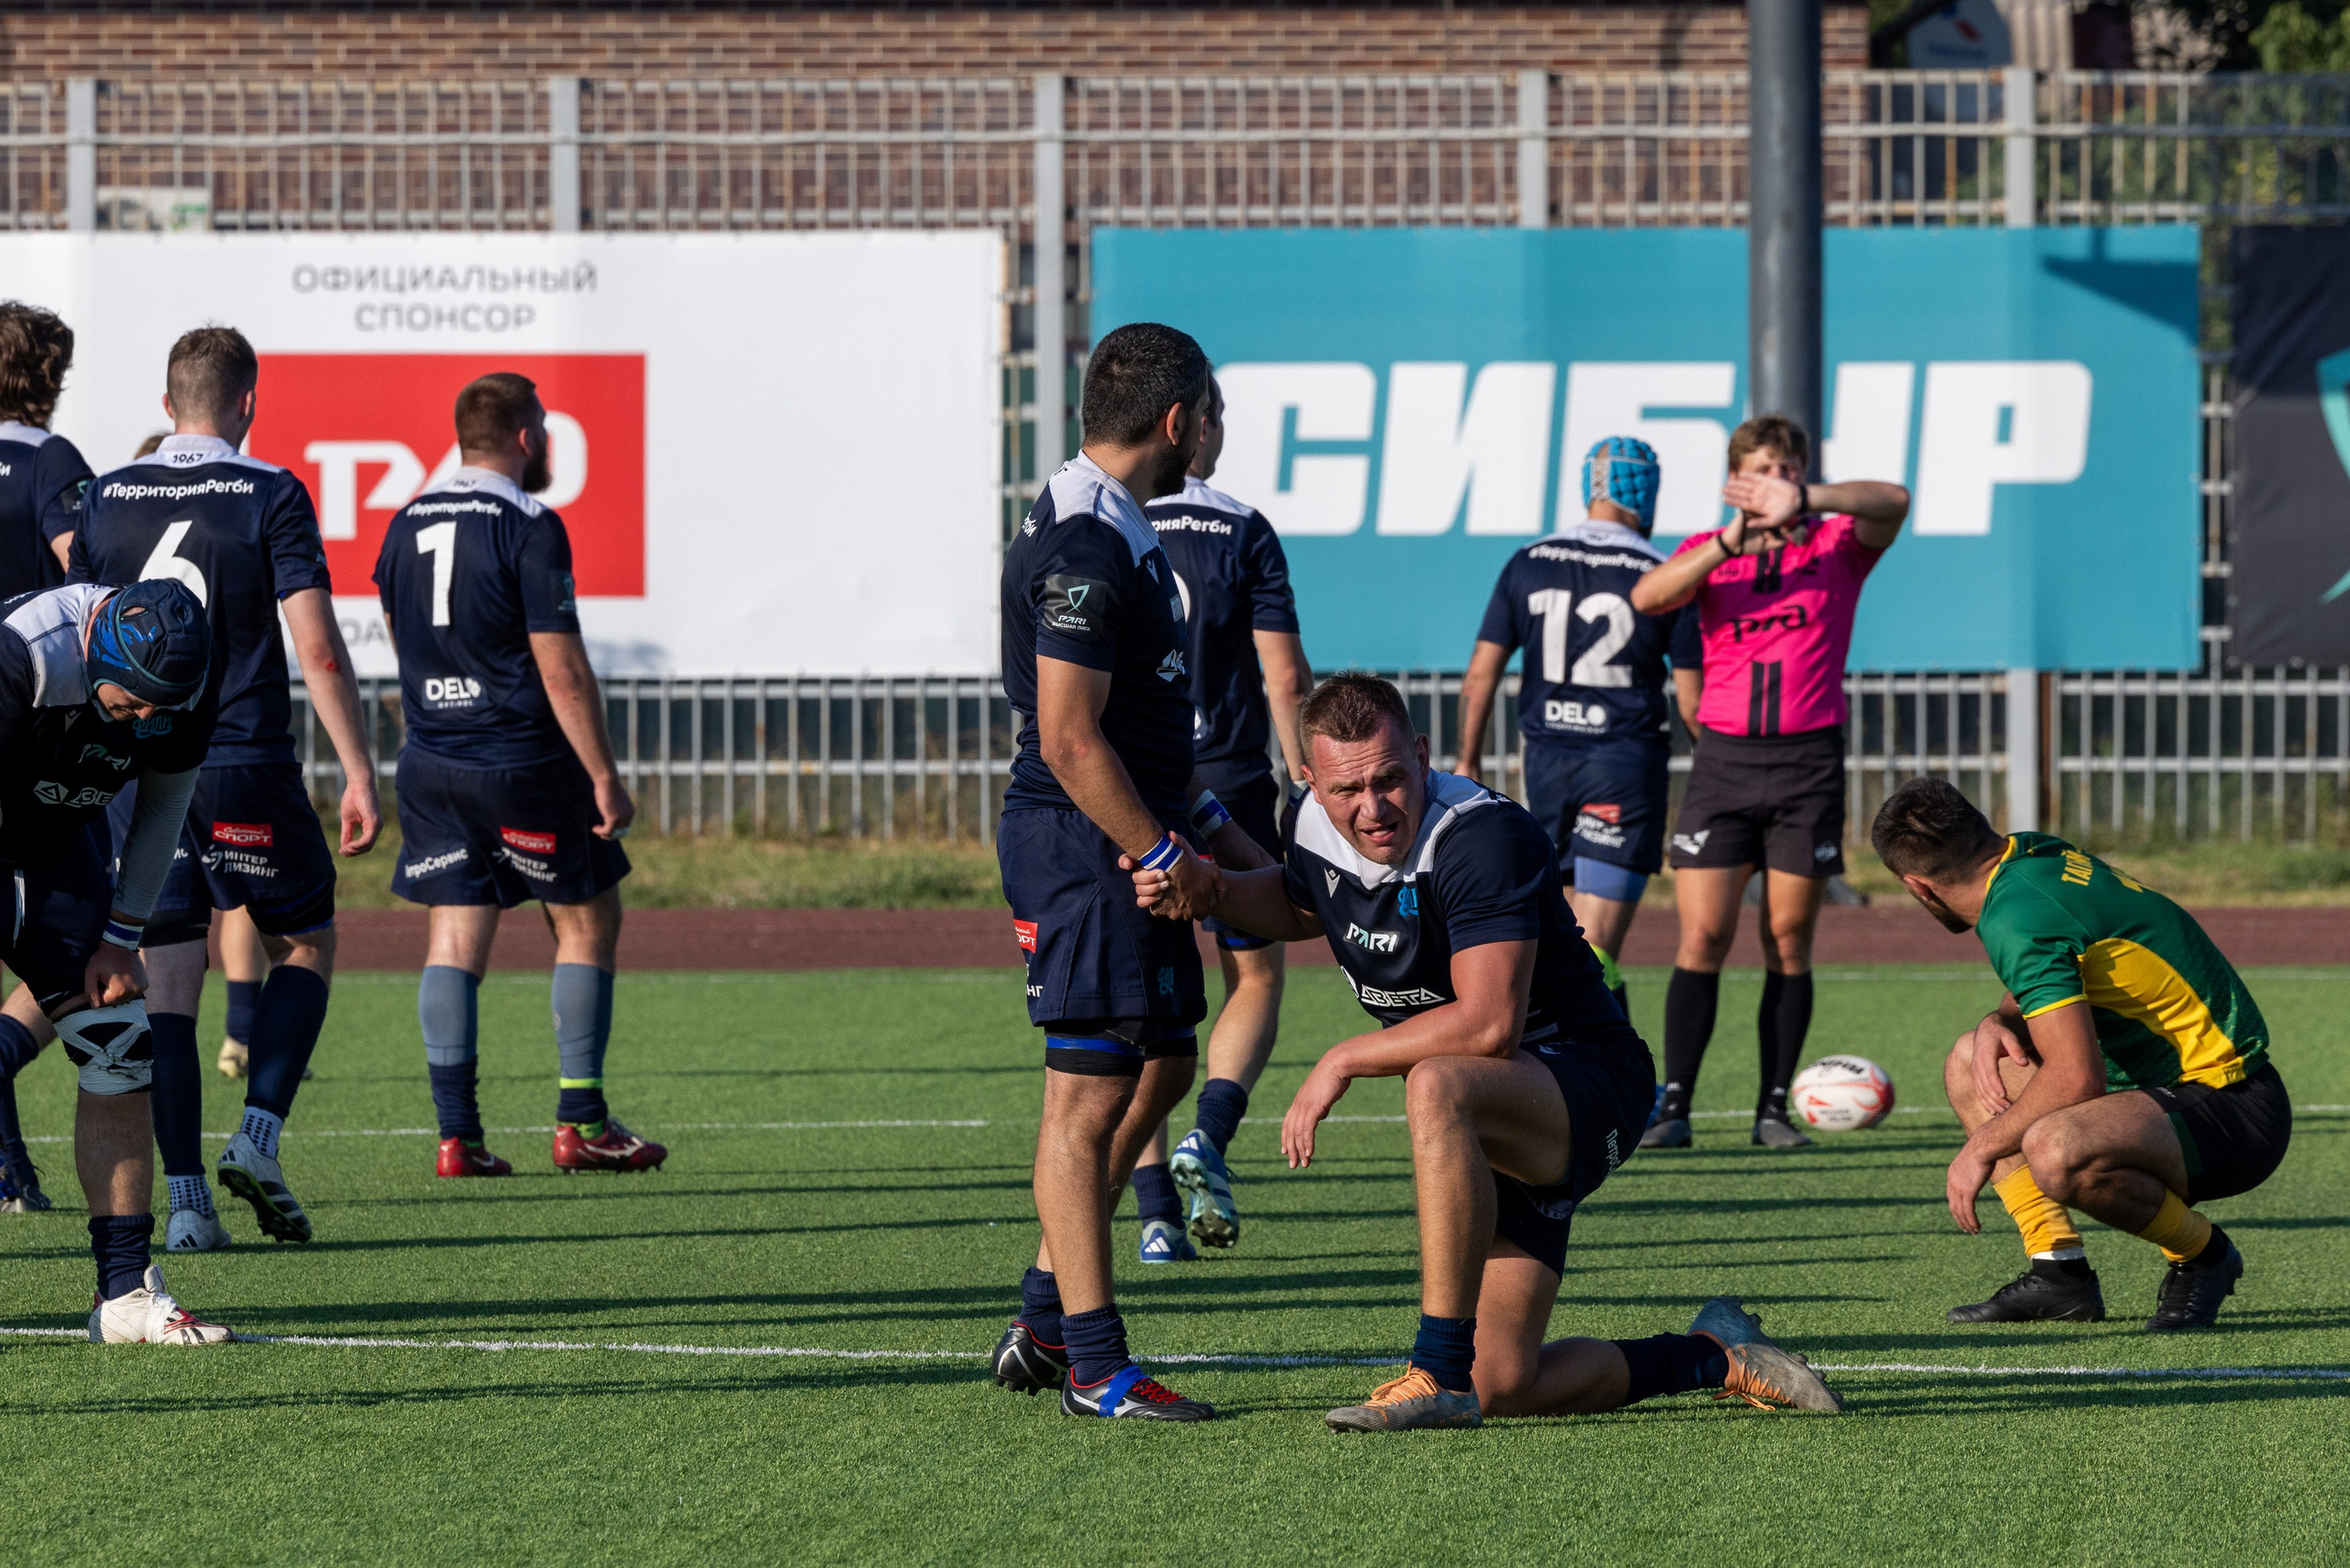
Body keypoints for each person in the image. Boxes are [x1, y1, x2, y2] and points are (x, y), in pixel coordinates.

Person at [1135, 673, 1841, 1428]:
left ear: (1422, 755)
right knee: (1505, 1383)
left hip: (1584, 1080)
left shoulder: (1479, 836)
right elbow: (1307, 903)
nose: (1372, 808)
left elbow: (1489, 1026)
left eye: (1389, 779)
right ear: (1310, 780)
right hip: (1493, 1110)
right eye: (1347, 790)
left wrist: (1341, 1058)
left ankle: (1436, 1371)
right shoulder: (1308, 820)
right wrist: (1214, 891)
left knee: (1437, 1084)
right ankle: (1717, 1354)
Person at [988, 321, 1267, 1422]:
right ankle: (1095, 1367)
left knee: (1163, 1060)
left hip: (1125, 830)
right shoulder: (1088, 539)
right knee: (1088, 1096)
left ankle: (1044, 1317)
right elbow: (1068, 738)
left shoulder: (1116, 520)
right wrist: (1161, 854)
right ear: (1177, 419)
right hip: (1082, 845)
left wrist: (1222, 836)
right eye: (1216, 413)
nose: (1220, 432)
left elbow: (1141, 731)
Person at [73, 326, 381, 1249]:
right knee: (306, 939)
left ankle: (186, 1206)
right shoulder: (271, 490)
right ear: (249, 402)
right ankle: (258, 1137)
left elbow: (83, 635)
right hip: (241, 756)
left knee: (167, 972)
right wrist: (359, 769)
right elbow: (318, 646)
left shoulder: (107, 492)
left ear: (166, 405)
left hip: (135, 764)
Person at [374, 371, 661, 1178]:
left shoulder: (405, 520)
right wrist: (603, 773)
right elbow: (560, 667)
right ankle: (582, 1122)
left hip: (432, 760)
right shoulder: (530, 524)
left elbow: (399, 634)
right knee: (587, 920)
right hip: (520, 759)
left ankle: (457, 1138)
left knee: (453, 934)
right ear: (528, 438)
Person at [1871, 778, 2288, 1331]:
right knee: (1973, 1058)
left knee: (2055, 1147)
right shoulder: (2031, 854)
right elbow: (2063, 963)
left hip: (2233, 1108)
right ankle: (2059, 1273)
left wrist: (1980, 1149)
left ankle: (2204, 1255)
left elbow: (2075, 1080)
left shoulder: (2016, 918)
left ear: (1917, 886)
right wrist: (1999, 1020)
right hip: (2161, 1091)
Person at [1628, 415, 1910, 1150]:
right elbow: (1648, 598)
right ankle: (1674, 1108)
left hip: (1806, 765)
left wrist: (1808, 501)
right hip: (1723, 764)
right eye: (1762, 470)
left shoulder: (1836, 545)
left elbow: (1894, 500)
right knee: (1704, 935)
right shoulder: (1710, 549)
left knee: (1787, 938)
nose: (1776, 481)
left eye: (1787, 469)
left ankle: (1773, 1110)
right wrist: (1730, 542)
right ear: (1737, 480)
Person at [0, 578, 236, 1341]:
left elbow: (162, 807)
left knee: (121, 1045)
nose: (141, 721)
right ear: (94, 650)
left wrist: (121, 938)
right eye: (129, 703)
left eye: (157, 710)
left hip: (56, 846)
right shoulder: (26, 652)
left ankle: (125, 1293)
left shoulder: (188, 679)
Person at [1125, 372, 1314, 1263]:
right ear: (1200, 426)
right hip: (1229, 778)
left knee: (1148, 995)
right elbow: (1285, 675)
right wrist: (1305, 778)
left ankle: (1155, 1214)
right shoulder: (1243, 528)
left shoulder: (1116, 520)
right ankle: (1211, 1130)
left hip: (1136, 783)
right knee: (1257, 975)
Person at [1458, 435, 1700, 1023]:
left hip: (1546, 768)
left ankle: (1574, 1065)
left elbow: (1480, 674)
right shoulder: (1662, 574)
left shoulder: (1528, 560)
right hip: (1622, 767)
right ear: (1644, 489)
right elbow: (1694, 702)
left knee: (1566, 945)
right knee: (1594, 952)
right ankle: (1613, 1067)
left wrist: (1468, 760)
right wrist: (1721, 771)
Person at [0, 301, 96, 1213]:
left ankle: (9, 1172)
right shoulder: (50, 460)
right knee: (74, 933)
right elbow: (84, 575)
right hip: (33, 724)